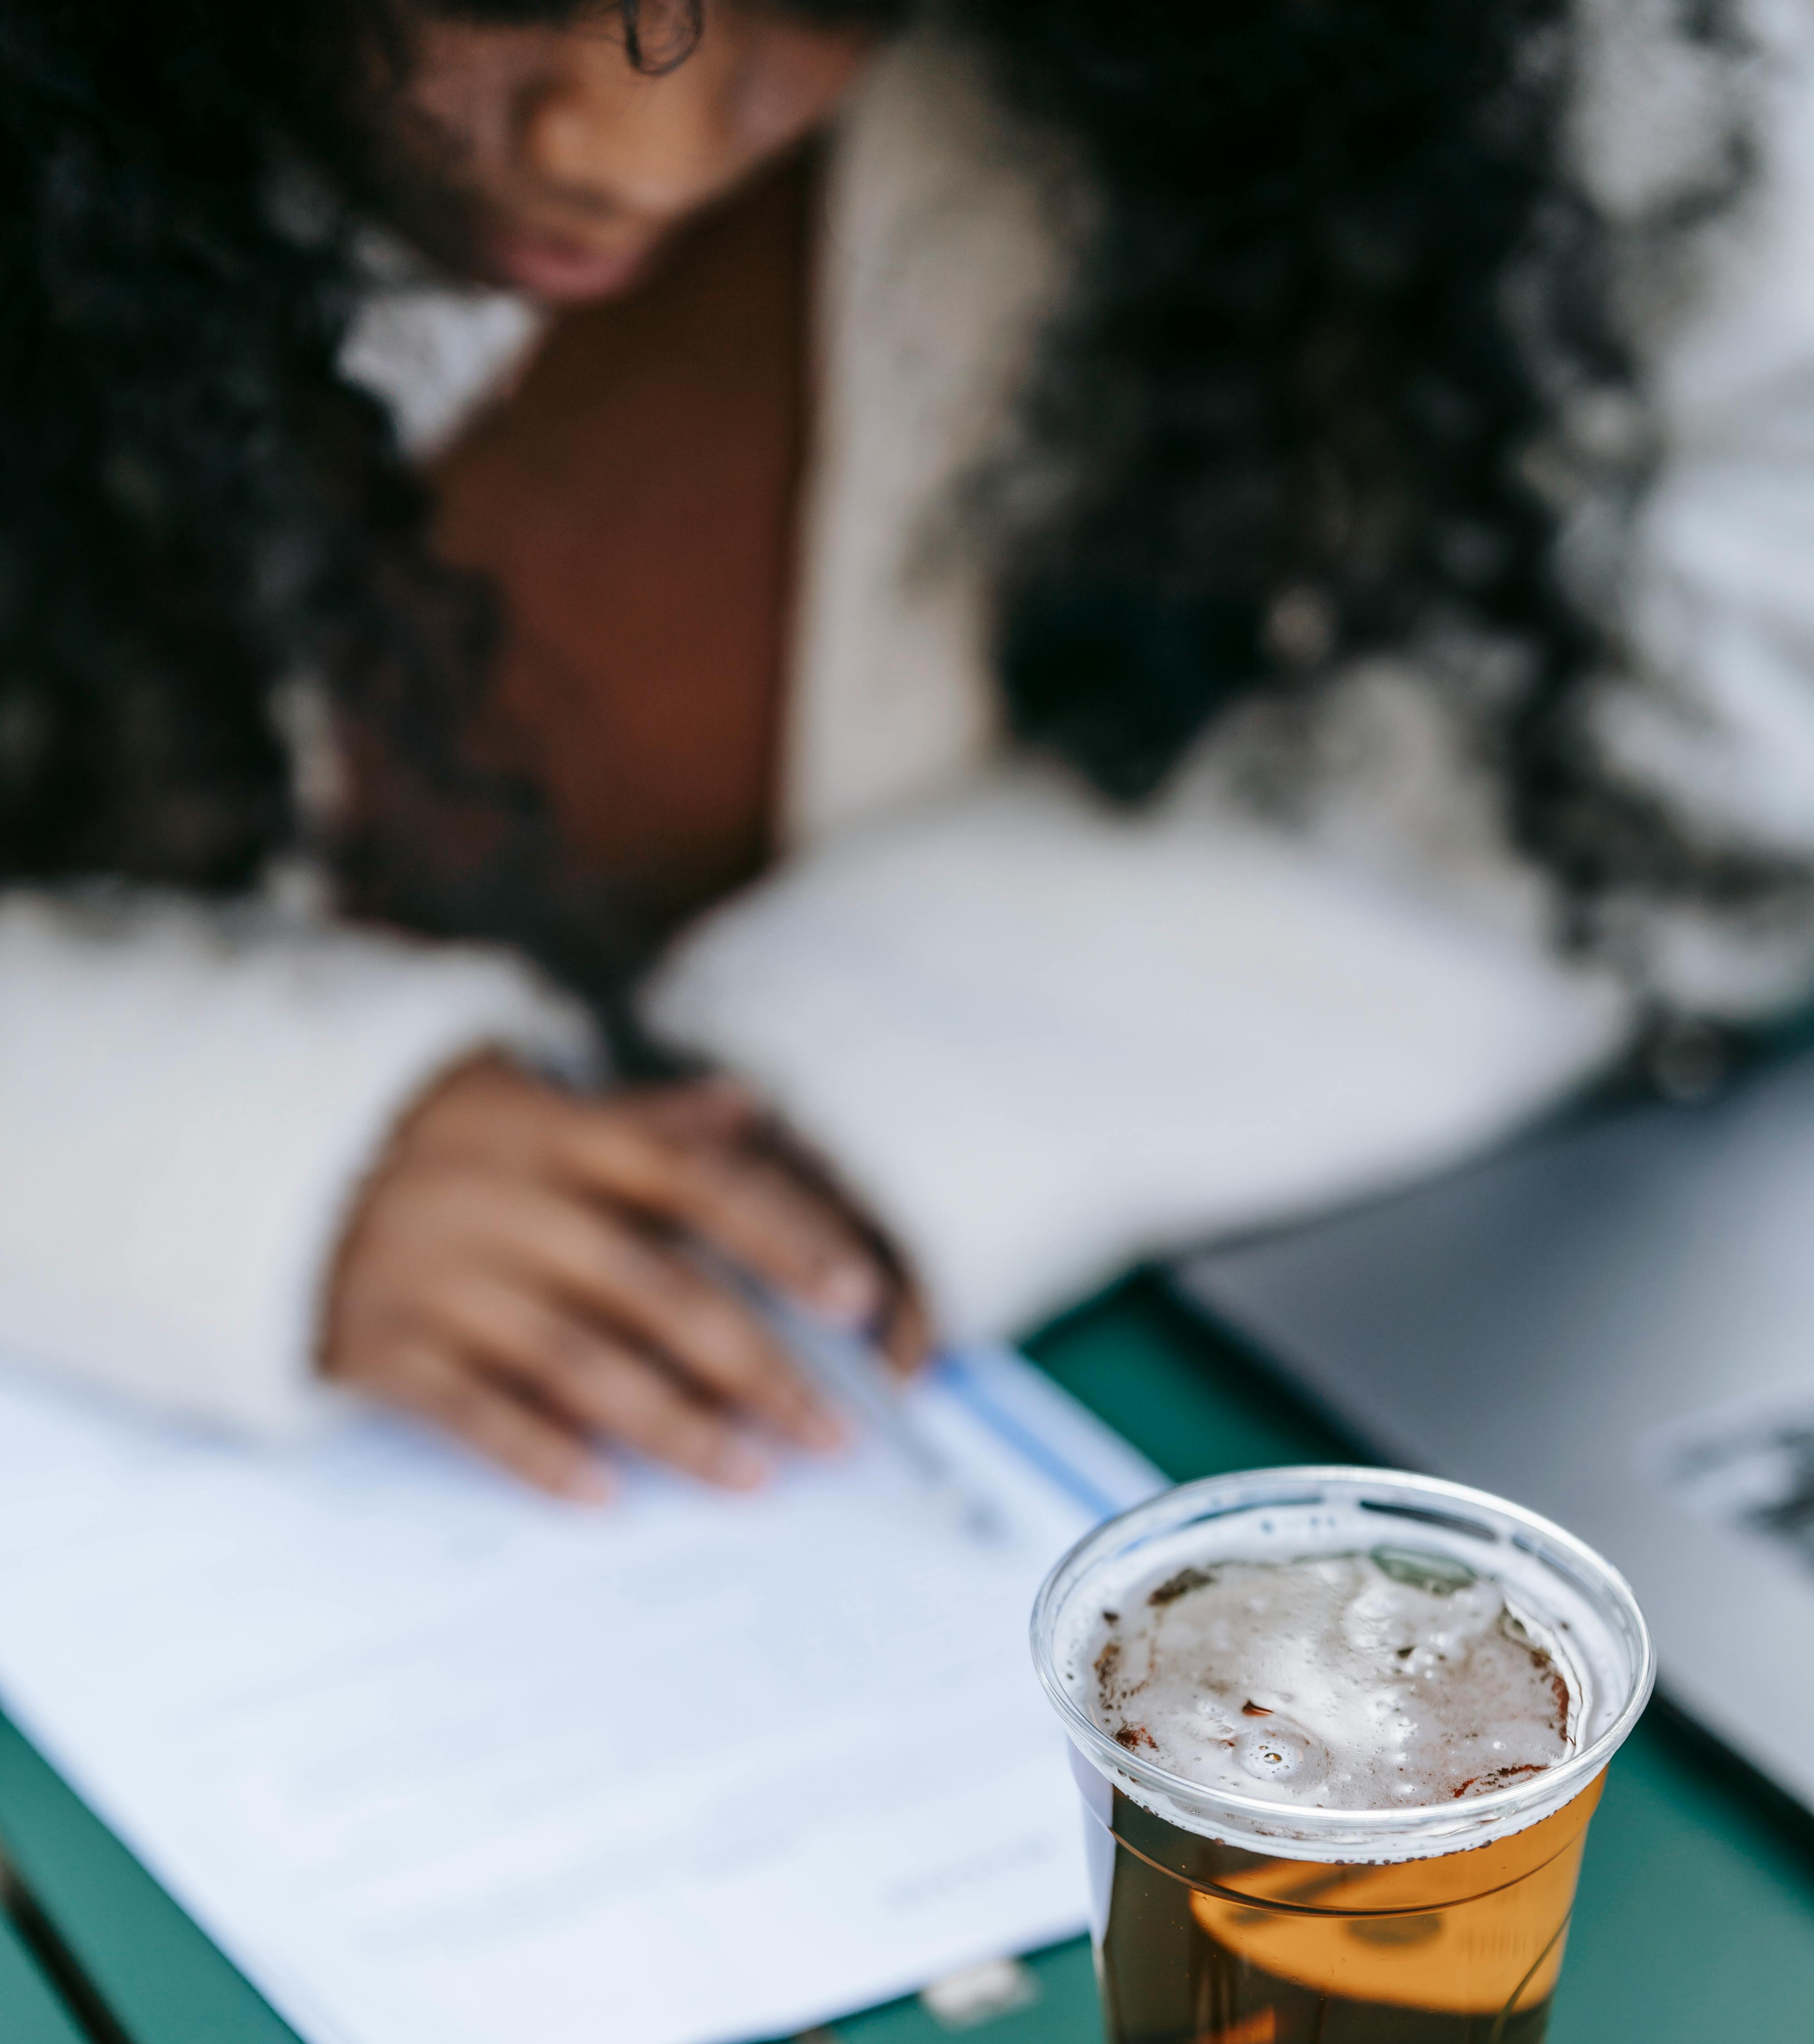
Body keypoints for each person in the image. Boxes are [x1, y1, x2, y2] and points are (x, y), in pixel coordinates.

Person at [0, 0, 1801, 1497]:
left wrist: (903, 1068)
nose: (634, 149)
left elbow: (1721, 671)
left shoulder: (1558, 69)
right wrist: (203, 1138)